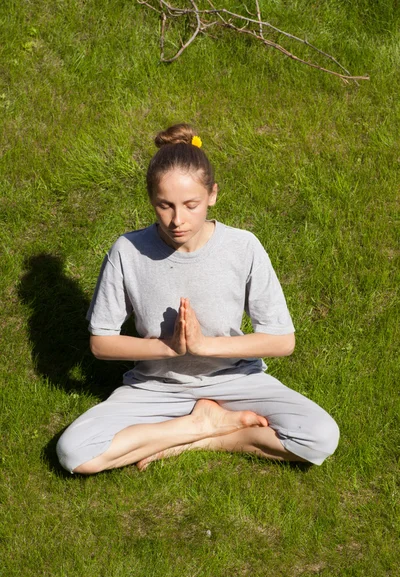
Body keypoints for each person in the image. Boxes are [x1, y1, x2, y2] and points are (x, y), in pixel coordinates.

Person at [56, 123, 339, 475]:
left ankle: (216, 436)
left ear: (213, 194)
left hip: (237, 380)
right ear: (151, 200)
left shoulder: (243, 247)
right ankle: (197, 426)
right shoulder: (127, 251)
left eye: (191, 205)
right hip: (155, 387)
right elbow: (101, 344)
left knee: (321, 437)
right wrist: (169, 348)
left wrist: (204, 346)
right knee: (74, 453)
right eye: (164, 205)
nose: (178, 220)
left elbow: (282, 341)